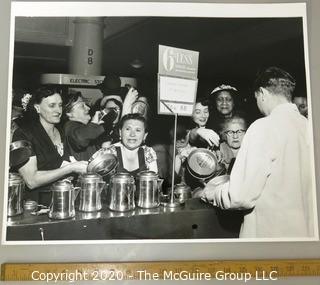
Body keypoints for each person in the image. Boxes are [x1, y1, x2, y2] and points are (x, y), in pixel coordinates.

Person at [203, 66, 315, 238]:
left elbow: (239, 196)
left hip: (270, 236)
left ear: (261, 93)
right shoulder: (309, 126)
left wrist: (212, 193)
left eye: (256, 98)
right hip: (305, 235)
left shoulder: (263, 127)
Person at [12, 86, 87, 204]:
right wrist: (70, 168)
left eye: (60, 105)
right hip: (36, 205)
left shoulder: (62, 132)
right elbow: (31, 181)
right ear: (37, 108)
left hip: (63, 201)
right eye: (52, 105)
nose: (58, 110)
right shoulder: (24, 134)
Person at [63, 92, 117, 161]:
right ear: (69, 114)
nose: (88, 108)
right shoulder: (69, 126)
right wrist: (95, 124)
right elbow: (80, 138)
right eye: (82, 106)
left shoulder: (85, 128)